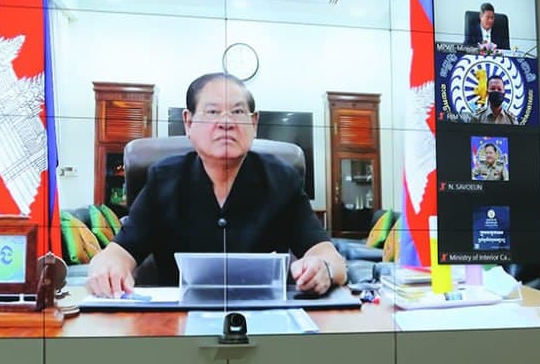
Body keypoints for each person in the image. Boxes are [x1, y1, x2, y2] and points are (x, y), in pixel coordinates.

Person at [87, 72, 346, 298]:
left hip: (263, 317)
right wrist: (108, 268)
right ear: (188, 123)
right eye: (212, 112)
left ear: (254, 123)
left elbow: (330, 257)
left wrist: (322, 268)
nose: (226, 122)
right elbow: (119, 252)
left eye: (238, 111)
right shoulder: (163, 180)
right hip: (177, 321)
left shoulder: (283, 180)